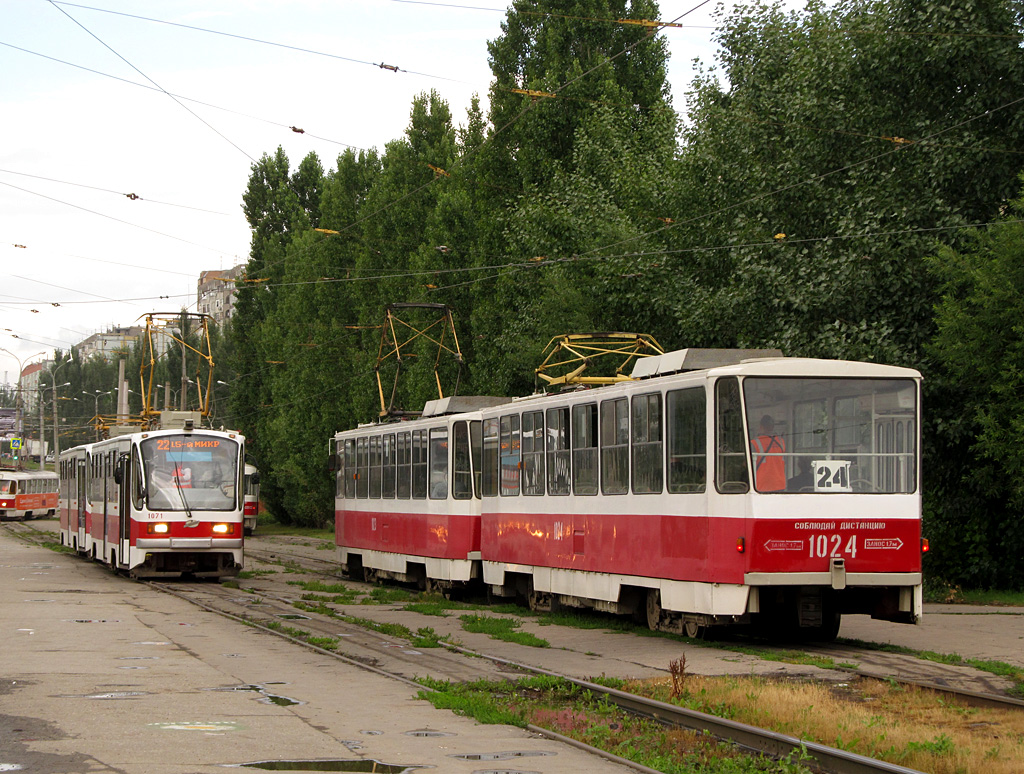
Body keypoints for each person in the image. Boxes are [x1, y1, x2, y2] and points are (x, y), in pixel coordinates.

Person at [750, 414, 786, 492]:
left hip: (762, 484)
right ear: (772, 426)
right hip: (780, 483)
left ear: (761, 426)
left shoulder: (755, 443)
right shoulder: (781, 441)